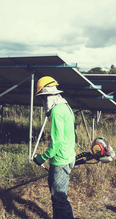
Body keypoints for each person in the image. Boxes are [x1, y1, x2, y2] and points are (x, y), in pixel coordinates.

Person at [33, 76, 76, 219]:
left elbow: (57, 141)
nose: (43, 102)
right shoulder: (66, 107)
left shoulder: (57, 111)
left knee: (59, 198)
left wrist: (42, 158)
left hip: (60, 160)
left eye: (43, 98)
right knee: (59, 196)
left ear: (47, 97)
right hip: (69, 157)